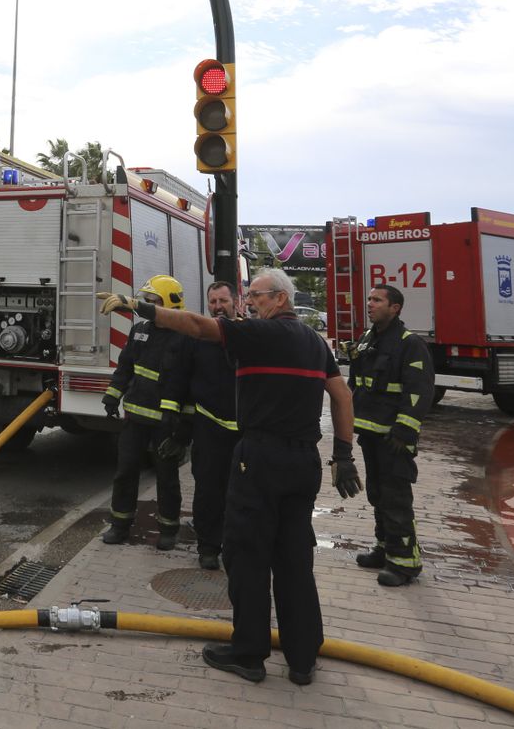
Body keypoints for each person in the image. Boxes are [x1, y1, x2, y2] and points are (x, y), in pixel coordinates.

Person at [100, 267, 360, 687]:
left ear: (278, 298)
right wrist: (343, 456)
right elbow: (342, 395)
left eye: (254, 295)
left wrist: (139, 307)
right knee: (295, 560)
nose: (248, 302)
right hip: (303, 463)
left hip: (259, 459)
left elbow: (198, 326)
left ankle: (249, 655)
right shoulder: (315, 342)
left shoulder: (259, 334)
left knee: (248, 557)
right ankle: (302, 659)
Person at [349, 285, 434, 586]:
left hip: (395, 438)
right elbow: (357, 384)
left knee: (396, 498)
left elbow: (420, 390)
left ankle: (405, 564)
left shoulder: (410, 344)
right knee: (377, 493)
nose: (369, 304)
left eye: (377, 300)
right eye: (369, 298)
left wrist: (405, 429)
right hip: (371, 434)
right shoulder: (367, 339)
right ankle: (384, 548)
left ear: (395, 307)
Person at [100, 274, 191, 551]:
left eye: (153, 301)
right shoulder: (140, 329)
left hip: (166, 423)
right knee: (125, 472)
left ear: (170, 304)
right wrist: (112, 394)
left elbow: (187, 384)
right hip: (135, 419)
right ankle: (120, 524)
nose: (147, 305)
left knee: (167, 477)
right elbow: (126, 366)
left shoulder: (185, 337)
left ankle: (168, 529)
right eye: (146, 300)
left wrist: (182, 428)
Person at [181, 280, 241, 571]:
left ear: (236, 302)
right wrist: (180, 427)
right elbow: (182, 381)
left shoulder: (248, 336)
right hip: (208, 427)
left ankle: (235, 546)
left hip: (244, 431)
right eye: (213, 301)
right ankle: (207, 547)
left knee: (241, 493)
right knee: (207, 490)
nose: (217, 306)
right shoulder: (198, 338)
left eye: (223, 301)